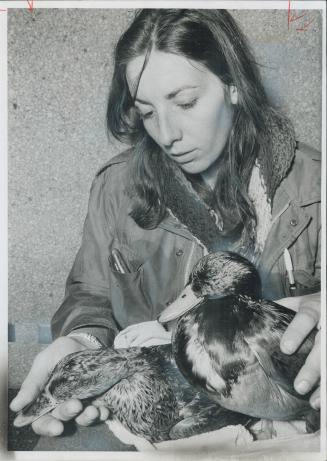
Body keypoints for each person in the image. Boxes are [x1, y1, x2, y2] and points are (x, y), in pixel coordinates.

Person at [10, 9, 321, 439]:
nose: (168, 134)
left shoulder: (314, 184)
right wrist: (83, 341)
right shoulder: (116, 187)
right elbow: (89, 294)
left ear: (233, 86)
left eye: (185, 102)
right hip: (155, 409)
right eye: (147, 112)